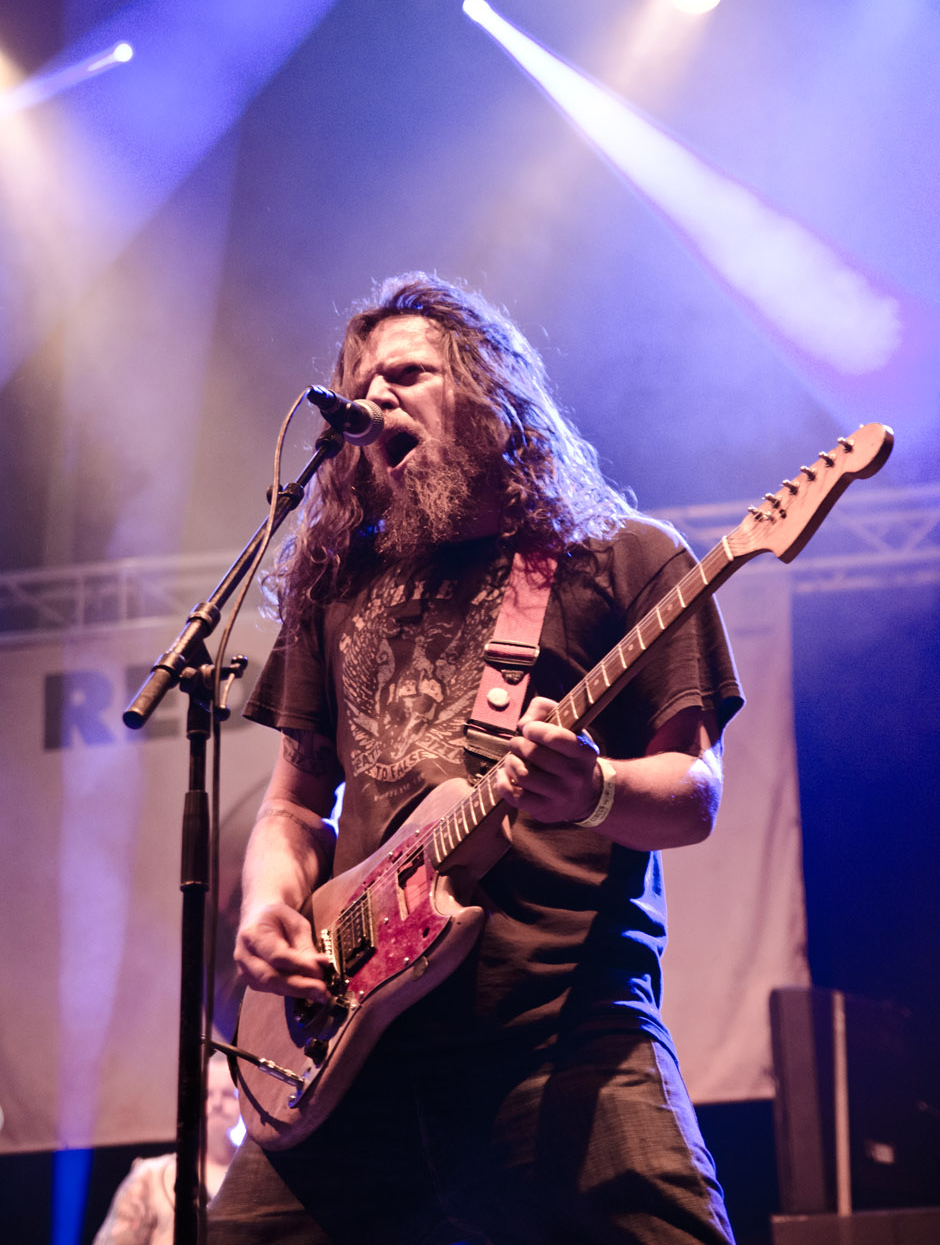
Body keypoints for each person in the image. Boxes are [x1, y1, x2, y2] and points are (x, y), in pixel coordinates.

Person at [209, 273, 744, 1245]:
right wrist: (266, 904)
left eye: (406, 374)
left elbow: (694, 795)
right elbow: (294, 805)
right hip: (351, 1045)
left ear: (488, 391)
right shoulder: (336, 583)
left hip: (561, 1038)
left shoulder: (621, 557)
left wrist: (595, 791)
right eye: (361, 384)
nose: (374, 402)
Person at [94, 1053, 240, 1244]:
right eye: (207, 1094)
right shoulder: (151, 1177)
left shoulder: (255, 1178)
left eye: (229, 1095)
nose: (217, 1103)